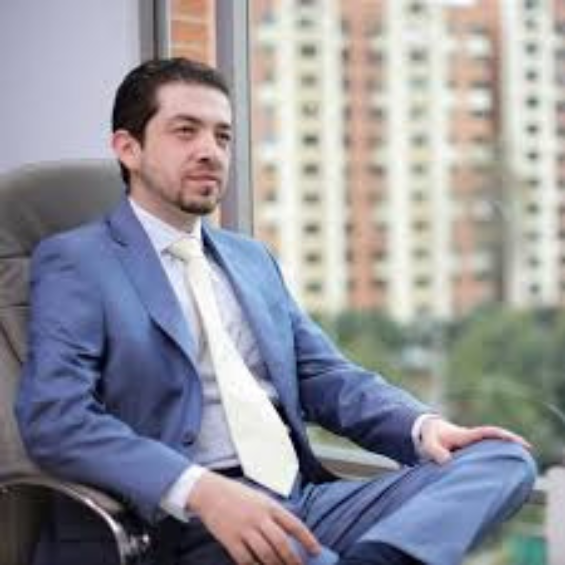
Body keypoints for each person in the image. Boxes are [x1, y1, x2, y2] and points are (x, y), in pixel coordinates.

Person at [16, 57, 536, 565]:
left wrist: (421, 427)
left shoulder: (250, 258)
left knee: (501, 458)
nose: (210, 151)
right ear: (128, 148)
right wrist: (201, 490)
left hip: (298, 500)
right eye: (186, 131)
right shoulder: (76, 260)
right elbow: (57, 418)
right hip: (179, 523)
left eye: (222, 136)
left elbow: (325, 376)